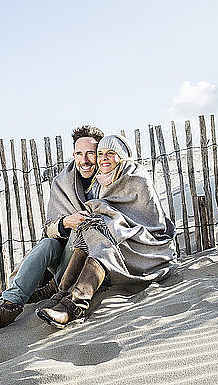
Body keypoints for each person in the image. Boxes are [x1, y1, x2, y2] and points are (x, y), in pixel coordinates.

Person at [36, 134, 176, 329]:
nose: (103, 158)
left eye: (111, 153)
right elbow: (108, 212)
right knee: (92, 227)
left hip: (147, 244)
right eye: (100, 153)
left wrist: (109, 220)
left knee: (102, 234)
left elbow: (152, 222)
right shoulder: (104, 180)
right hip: (120, 238)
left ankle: (75, 304)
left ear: (122, 156)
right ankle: (62, 295)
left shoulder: (136, 177)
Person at [0, 125, 104, 329]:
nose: (85, 160)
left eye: (91, 153)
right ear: (74, 155)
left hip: (91, 261)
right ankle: (10, 304)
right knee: (47, 244)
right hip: (63, 257)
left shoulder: (108, 179)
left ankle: (57, 291)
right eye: (79, 153)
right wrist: (65, 222)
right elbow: (49, 227)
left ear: (100, 154)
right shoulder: (63, 182)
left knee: (83, 230)